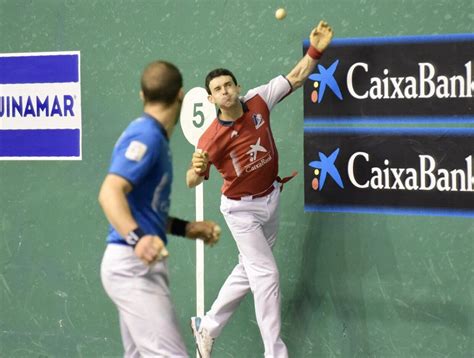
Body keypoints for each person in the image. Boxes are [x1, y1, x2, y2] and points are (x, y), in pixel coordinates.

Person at [186, 21, 334, 358]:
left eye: (228, 85)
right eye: (217, 89)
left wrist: (315, 50)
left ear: (237, 86)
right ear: (211, 99)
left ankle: (206, 327)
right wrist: (195, 170)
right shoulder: (210, 139)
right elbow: (191, 180)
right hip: (241, 210)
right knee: (266, 274)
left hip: (271, 198)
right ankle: (274, 353)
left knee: (248, 268)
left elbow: (296, 77)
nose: (224, 91)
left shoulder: (258, 101)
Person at [99, 60, 221, 357]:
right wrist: (137, 239)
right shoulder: (147, 137)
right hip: (132, 265)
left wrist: (186, 228)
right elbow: (110, 192)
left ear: (142, 95)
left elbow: (142, 207)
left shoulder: (153, 136)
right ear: (180, 95)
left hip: (133, 263)